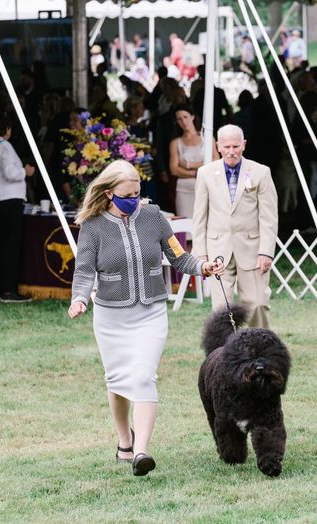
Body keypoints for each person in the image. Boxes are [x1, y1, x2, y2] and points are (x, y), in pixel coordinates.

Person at [67, 160, 224, 477]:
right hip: (111, 317)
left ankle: (142, 451)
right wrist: (79, 298)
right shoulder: (93, 226)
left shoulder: (153, 217)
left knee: (143, 377)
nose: (134, 200)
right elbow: (84, 271)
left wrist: (203, 267)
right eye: (127, 196)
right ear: (109, 193)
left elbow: (178, 256)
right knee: (117, 380)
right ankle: (125, 441)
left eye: (137, 194)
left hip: (151, 312)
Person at [192, 124, 278, 329]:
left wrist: (266, 252)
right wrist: (201, 254)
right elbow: (199, 217)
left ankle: (259, 345)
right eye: (227, 147)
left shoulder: (261, 172)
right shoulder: (205, 173)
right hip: (217, 250)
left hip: (252, 249)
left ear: (244, 145)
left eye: (236, 146)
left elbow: (269, 217)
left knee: (257, 304)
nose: (231, 151)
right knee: (222, 309)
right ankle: (224, 348)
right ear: (218, 147)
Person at [0, 112, 35, 303]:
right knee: (10, 245)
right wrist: (25, 171)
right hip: (10, 199)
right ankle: (8, 290)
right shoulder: (4, 146)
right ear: (7, 130)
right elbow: (10, 172)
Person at [169, 103, 218, 218]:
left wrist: (188, 164)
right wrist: (197, 173)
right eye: (179, 119)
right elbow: (174, 170)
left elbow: (216, 162)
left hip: (206, 187)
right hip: (184, 190)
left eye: (185, 117)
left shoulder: (207, 138)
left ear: (192, 117)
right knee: (185, 224)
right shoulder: (175, 142)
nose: (183, 121)